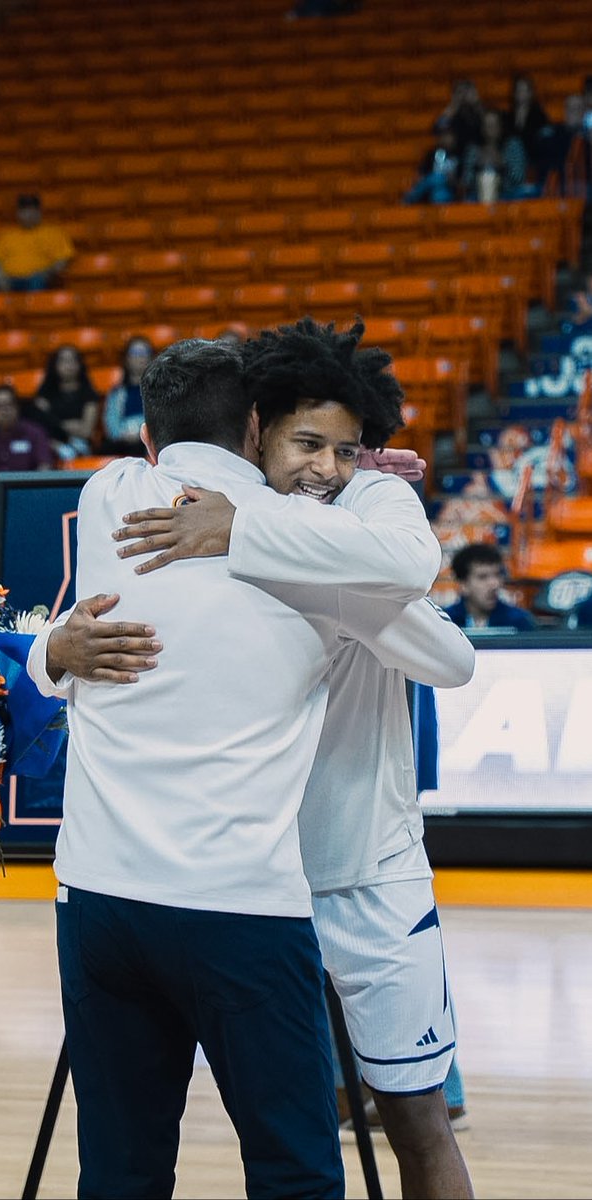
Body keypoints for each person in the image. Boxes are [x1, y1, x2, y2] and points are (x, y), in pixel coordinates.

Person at [34, 321, 476, 1200]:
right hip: (250, 889)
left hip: (335, 863)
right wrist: (55, 647)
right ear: (255, 430)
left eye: (346, 450)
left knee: (412, 1124)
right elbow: (432, 624)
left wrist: (289, 519)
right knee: (295, 1162)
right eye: (306, 444)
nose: (326, 467)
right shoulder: (285, 542)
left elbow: (444, 650)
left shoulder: (122, 491)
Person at [0, 383, 53, 508]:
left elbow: (45, 467)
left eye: (9, 405)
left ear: (17, 407)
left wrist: (33, 490)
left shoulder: (34, 433)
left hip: (27, 493)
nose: (5, 411)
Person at [27, 343, 102, 460]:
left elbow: (86, 431)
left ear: (80, 365)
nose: (68, 365)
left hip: (80, 445)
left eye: (73, 360)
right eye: (63, 361)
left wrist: (54, 423)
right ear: (54, 365)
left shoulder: (89, 395)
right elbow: (39, 428)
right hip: (50, 444)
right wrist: (72, 425)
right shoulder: (44, 394)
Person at [0, 193, 74, 292]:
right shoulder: (7, 236)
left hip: (37, 279)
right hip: (7, 280)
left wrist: (47, 273)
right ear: (18, 213)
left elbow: (63, 260)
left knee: (36, 280)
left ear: (39, 212)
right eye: (24, 210)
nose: (28, 214)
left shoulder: (54, 233)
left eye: (31, 210)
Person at [444, 542, 536, 630]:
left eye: (497, 575)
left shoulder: (519, 621)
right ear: (463, 584)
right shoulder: (446, 621)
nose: (494, 584)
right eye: (483, 577)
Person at [99, 335, 155, 455]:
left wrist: (141, 433)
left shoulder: (158, 390)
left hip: (148, 439)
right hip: (122, 441)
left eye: (143, 353)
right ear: (126, 358)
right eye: (134, 353)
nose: (139, 358)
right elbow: (111, 424)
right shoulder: (116, 392)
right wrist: (123, 434)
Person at [460, 108, 531, 202]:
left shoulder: (513, 145)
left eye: (494, 125)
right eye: (487, 125)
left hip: (509, 194)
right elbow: (467, 181)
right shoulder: (474, 149)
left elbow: (519, 178)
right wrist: (477, 167)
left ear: (501, 126)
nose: (490, 129)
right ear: (482, 128)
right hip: (478, 196)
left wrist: (503, 164)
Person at [432, 79, 485, 178]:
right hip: (455, 157)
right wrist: (453, 105)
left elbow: (490, 126)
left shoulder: (478, 114)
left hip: (476, 156)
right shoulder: (453, 115)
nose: (464, 97)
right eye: (460, 92)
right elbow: (437, 128)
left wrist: (476, 103)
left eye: (466, 92)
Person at [502, 73, 551, 174]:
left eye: (524, 90)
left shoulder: (539, 116)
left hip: (533, 159)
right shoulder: (508, 116)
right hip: (511, 160)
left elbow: (542, 139)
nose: (521, 93)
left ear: (531, 93)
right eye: (519, 90)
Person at [403, 128, 461, 205]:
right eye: (444, 136)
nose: (447, 139)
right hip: (432, 188)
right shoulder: (432, 153)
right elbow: (422, 173)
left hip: (449, 188)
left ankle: (411, 197)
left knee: (438, 185)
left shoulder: (459, 155)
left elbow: (461, 180)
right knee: (436, 185)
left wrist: (452, 180)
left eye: (449, 137)